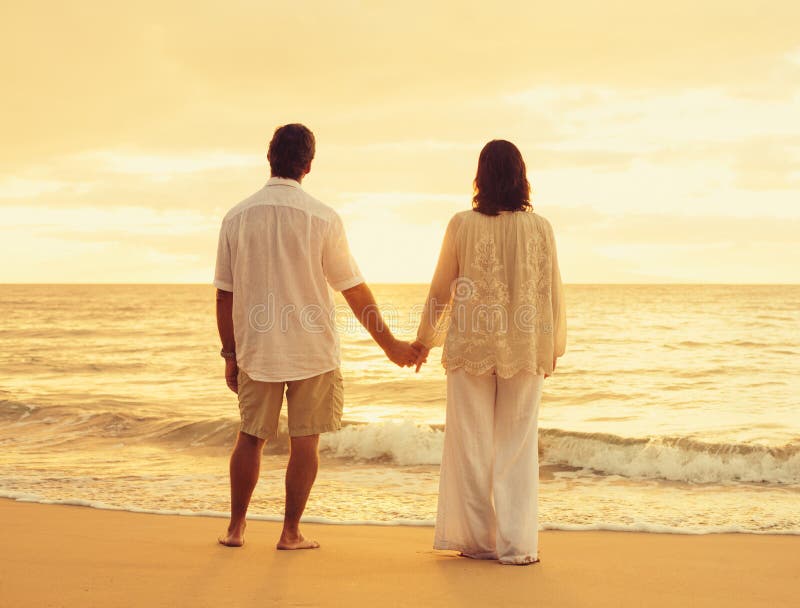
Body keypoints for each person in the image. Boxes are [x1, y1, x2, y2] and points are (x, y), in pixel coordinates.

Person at [214, 123, 419, 549]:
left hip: (258, 348)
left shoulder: (236, 216)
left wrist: (230, 354)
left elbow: (225, 294)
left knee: (250, 436)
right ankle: (290, 533)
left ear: (269, 158)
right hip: (313, 350)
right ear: (308, 165)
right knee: (305, 442)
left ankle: (235, 530)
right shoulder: (323, 217)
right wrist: (391, 346)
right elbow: (352, 288)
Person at [413, 139, 566, 565]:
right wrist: (552, 348)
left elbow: (441, 289)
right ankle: (518, 548)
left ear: (480, 176)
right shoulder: (541, 228)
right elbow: (553, 292)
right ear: (522, 176)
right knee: (517, 445)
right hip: (524, 347)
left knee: (471, 444)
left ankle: (478, 541)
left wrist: (424, 340)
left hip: (470, 348)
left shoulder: (462, 224)